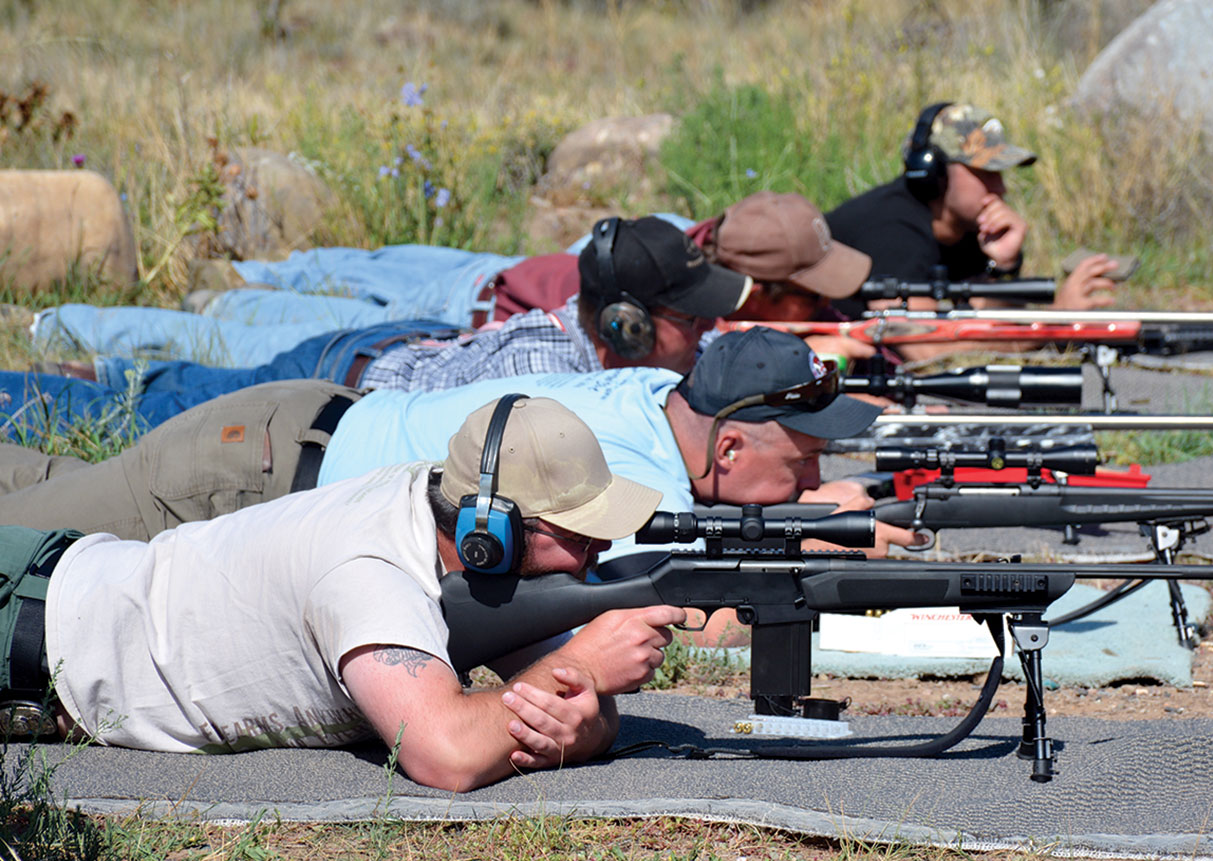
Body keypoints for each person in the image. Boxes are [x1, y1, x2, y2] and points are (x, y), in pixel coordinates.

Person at [0, 329, 919, 643]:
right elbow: (675, 606)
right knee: (24, 549)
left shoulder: (662, 401)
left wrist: (802, 513)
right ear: (727, 452)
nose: (816, 474)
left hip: (293, 440)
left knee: (47, 497)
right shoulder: (626, 466)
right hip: (253, 472)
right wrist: (810, 536)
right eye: (802, 459)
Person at [0, 396, 688, 790]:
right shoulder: (369, 568)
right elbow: (444, 752)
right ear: (491, 532)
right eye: (578, 534)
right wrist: (591, 671)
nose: (599, 551)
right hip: (21, 626)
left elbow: (556, 699)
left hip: (49, 613)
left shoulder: (463, 535)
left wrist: (585, 720)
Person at [0, 216, 749, 439]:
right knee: (158, 415)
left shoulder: (607, 355)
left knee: (181, 385)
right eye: (694, 317)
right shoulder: (544, 387)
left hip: (388, 354)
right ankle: (30, 386)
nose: (709, 327)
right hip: (338, 384)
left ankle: (83, 372)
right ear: (625, 326)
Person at [825, 103, 1121, 359]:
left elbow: (980, 321)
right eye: (985, 172)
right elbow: (927, 350)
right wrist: (1053, 322)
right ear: (934, 173)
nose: (1000, 188)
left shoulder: (965, 229)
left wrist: (1000, 265)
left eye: (1000, 173)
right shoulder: (891, 231)